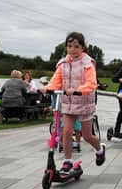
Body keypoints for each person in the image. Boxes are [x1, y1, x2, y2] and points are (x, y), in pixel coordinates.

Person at [41, 32, 106, 173]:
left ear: (82, 48)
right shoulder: (63, 63)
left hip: (84, 103)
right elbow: (56, 80)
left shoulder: (87, 64)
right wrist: (47, 88)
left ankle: (100, 149)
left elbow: (91, 83)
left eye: (76, 46)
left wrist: (77, 89)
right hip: (68, 104)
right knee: (67, 132)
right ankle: (68, 161)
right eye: (69, 46)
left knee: (87, 136)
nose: (72, 49)